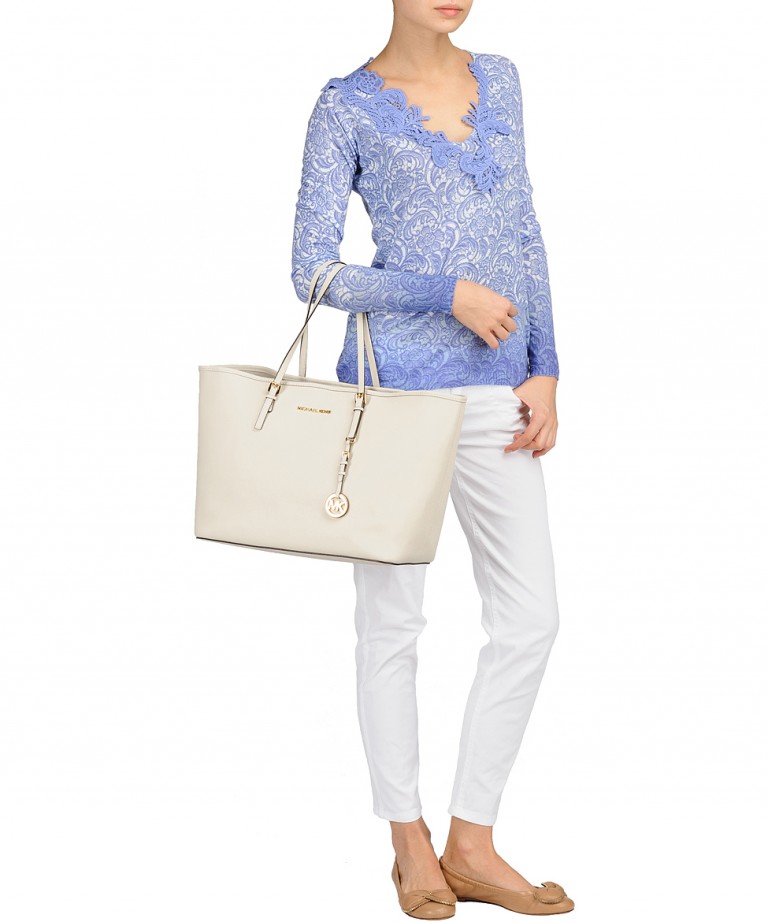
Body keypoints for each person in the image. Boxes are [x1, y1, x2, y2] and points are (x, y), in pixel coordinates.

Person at [290, 1, 573, 917]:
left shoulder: (503, 81)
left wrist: (546, 365)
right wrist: (444, 292)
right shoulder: (345, 105)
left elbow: (524, 228)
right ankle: (408, 842)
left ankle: (472, 843)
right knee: (393, 625)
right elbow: (312, 271)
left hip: (500, 393)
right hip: (391, 397)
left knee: (531, 617)